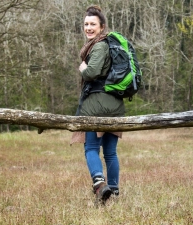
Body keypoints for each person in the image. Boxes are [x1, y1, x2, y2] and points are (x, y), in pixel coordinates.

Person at [71, 5, 125, 204]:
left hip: (97, 105)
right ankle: (114, 192)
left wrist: (83, 68)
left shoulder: (100, 45)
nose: (88, 28)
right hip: (115, 105)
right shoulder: (110, 46)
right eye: (86, 24)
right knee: (110, 152)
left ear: (102, 27)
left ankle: (100, 184)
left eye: (93, 24)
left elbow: (92, 72)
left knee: (91, 148)